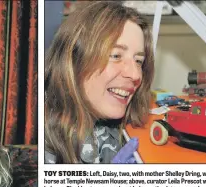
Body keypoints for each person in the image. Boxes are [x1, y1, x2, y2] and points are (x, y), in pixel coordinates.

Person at [44, 1, 155, 164]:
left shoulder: (110, 123)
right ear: (74, 61)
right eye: (116, 56)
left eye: (138, 61)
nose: (135, 74)